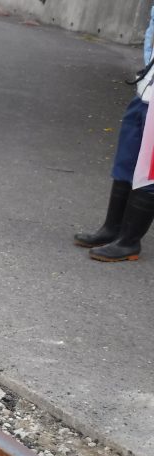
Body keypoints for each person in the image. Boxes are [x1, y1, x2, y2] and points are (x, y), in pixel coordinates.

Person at [75, 2, 154, 262]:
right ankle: (113, 229)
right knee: (127, 159)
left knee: (149, 171)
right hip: (146, 89)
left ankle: (130, 241)